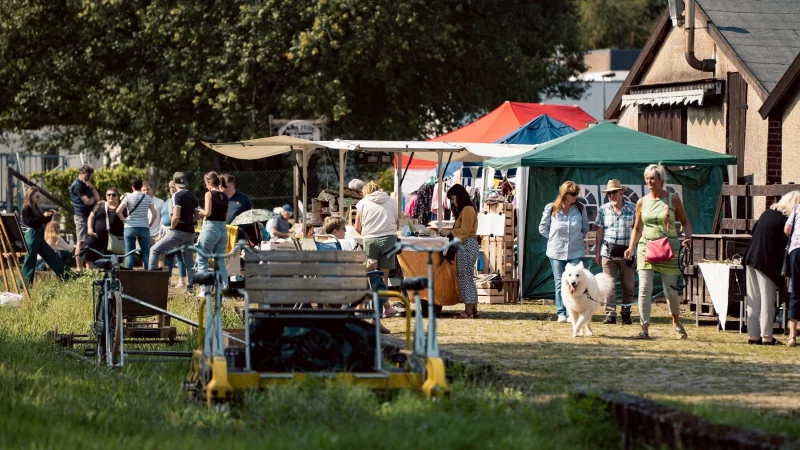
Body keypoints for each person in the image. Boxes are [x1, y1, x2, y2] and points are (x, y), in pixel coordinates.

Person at [624, 164, 692, 340]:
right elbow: (637, 228)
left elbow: (685, 222)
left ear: (661, 180)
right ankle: (644, 328)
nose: (649, 181)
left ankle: (676, 322)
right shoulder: (641, 202)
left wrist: (688, 237)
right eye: (646, 178)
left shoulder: (673, 198)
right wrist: (631, 247)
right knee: (644, 289)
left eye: (652, 178)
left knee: (670, 290)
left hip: (669, 249)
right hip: (646, 248)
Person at [744, 191, 800, 345]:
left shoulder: (767, 213)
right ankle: (767, 336)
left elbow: (753, 232)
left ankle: (753, 335)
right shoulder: (785, 220)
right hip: (767, 261)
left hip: (751, 258)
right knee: (767, 301)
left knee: (753, 299)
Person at [539, 181, 590, 323]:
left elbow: (585, 228)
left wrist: (577, 238)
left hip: (576, 250)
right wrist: (553, 239)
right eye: (573, 194)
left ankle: (572, 312)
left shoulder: (580, 208)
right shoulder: (551, 208)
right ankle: (561, 312)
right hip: (556, 251)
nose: (575, 196)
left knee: (576, 282)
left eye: (576, 194)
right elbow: (543, 228)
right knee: (560, 282)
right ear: (564, 194)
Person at [595, 179, 636, 325]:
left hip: (627, 253)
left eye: (613, 192)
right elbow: (599, 232)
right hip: (608, 252)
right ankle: (610, 314)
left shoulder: (633, 208)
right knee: (609, 285)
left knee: (628, 286)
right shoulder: (603, 209)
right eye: (608, 193)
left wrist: (634, 248)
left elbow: (638, 231)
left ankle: (626, 313)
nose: (611, 196)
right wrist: (597, 253)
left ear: (621, 193)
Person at [355, 181, 399, 317]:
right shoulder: (392, 201)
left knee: (369, 274)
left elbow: (357, 227)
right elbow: (397, 224)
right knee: (384, 277)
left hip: (369, 239)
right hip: (389, 239)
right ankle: (385, 308)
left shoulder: (362, 203)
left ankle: (362, 306)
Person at [149, 172, 198, 292]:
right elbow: (196, 215)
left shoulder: (177, 195)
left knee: (154, 250)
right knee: (189, 262)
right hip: (190, 232)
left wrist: (172, 227)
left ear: (175, 184)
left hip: (177, 231)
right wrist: (188, 221)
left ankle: (150, 281)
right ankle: (191, 288)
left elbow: (175, 216)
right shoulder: (192, 196)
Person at [20, 187, 70, 285]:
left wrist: (49, 215)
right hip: (32, 237)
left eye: (39, 196)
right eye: (37, 196)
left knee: (52, 256)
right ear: (31, 196)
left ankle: (68, 276)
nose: (38, 198)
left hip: (39, 237)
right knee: (29, 263)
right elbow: (29, 222)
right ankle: (24, 286)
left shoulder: (36, 207)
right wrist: (43, 216)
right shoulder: (26, 208)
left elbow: (43, 221)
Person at [447, 184, 480, 318]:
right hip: (469, 244)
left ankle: (468, 311)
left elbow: (464, 231)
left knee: (465, 277)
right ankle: (473, 308)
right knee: (468, 277)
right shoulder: (469, 208)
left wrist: (450, 231)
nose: (453, 202)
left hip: (466, 245)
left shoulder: (467, 209)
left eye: (454, 199)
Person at [195, 171, 230, 296]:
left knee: (202, 259)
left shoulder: (209, 194)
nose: (206, 186)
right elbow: (226, 215)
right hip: (223, 229)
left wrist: (200, 211)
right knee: (220, 262)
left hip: (211, 228)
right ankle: (224, 291)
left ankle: (205, 290)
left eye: (206, 183)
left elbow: (208, 213)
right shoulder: (225, 196)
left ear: (209, 182)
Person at [116, 177, 157, 269]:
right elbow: (154, 214)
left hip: (130, 227)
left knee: (130, 251)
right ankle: (147, 274)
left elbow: (118, 211)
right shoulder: (147, 198)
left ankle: (129, 274)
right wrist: (150, 224)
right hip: (144, 227)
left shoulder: (128, 197)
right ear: (141, 186)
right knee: (146, 252)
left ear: (132, 186)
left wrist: (123, 219)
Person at [69, 165, 100, 271]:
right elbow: (88, 201)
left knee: (89, 241)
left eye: (90, 176)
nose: (89, 178)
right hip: (81, 216)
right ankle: (78, 268)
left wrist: (91, 187)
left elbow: (98, 198)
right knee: (81, 241)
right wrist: (92, 199)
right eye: (87, 176)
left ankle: (89, 267)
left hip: (89, 215)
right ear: (81, 173)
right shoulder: (77, 186)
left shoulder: (86, 184)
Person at [85, 187, 124, 265]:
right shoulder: (100, 205)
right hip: (97, 236)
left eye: (113, 195)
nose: (111, 197)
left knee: (113, 261)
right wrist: (89, 229)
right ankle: (90, 273)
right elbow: (91, 217)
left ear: (117, 196)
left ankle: (113, 274)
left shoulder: (121, 207)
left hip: (113, 239)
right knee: (86, 251)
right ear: (106, 196)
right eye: (108, 195)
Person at [160, 181, 187, 287]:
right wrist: (160, 231)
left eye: (174, 186)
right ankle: (168, 280)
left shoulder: (181, 199)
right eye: (170, 187)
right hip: (166, 231)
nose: (172, 188)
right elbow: (162, 217)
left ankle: (182, 280)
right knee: (168, 256)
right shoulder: (166, 201)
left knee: (180, 255)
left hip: (178, 230)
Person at [142, 182, 163, 248]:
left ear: (152, 189)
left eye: (148, 189)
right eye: (144, 190)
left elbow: (162, 218)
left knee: (157, 256)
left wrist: (160, 232)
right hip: (142, 235)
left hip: (156, 235)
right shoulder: (138, 203)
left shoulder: (160, 202)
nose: (146, 191)